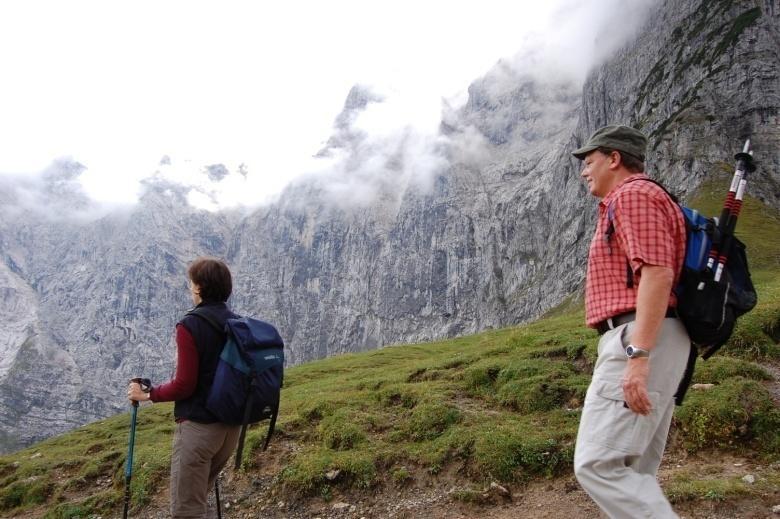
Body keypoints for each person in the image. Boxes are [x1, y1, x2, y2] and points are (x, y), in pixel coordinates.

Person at [571, 125, 690, 518]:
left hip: (637, 335)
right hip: (656, 336)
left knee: (598, 465)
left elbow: (657, 274)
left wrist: (638, 355)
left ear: (614, 159)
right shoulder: (641, 198)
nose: (584, 171)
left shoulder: (633, 195)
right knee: (631, 470)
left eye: (589, 162)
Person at [127, 257, 241, 518]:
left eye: (192, 283)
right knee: (200, 500)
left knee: (186, 510)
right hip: (230, 430)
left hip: (199, 429)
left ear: (199, 288)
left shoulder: (190, 325)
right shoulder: (236, 323)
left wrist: (147, 395)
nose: (190, 288)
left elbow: (185, 385)